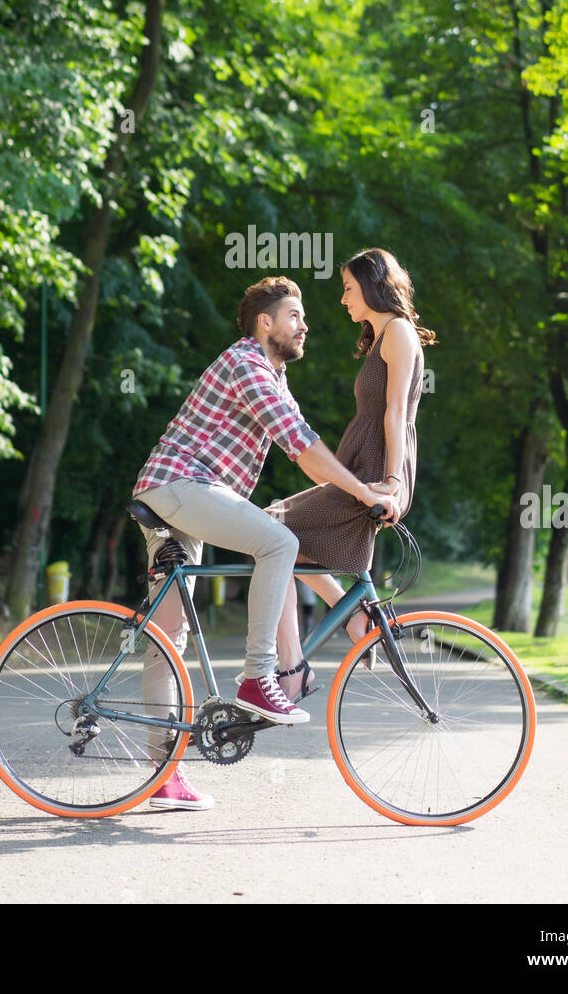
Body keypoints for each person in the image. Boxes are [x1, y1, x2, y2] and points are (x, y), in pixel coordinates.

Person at [130, 275, 401, 811]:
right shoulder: (247, 364)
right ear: (266, 322)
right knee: (277, 543)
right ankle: (259, 677)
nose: (306, 324)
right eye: (295, 315)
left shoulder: (273, 374)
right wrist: (365, 490)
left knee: (169, 635)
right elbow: (301, 446)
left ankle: (163, 776)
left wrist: (350, 497)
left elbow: (302, 438)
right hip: (181, 485)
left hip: (186, 494)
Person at [269, 249, 436, 700]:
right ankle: (354, 617)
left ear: (372, 284)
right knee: (282, 541)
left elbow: (397, 413)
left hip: (374, 472)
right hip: (359, 467)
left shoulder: (399, 332)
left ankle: (291, 668)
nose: (343, 299)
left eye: (347, 288)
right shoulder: (383, 338)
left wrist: (393, 481)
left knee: (269, 529)